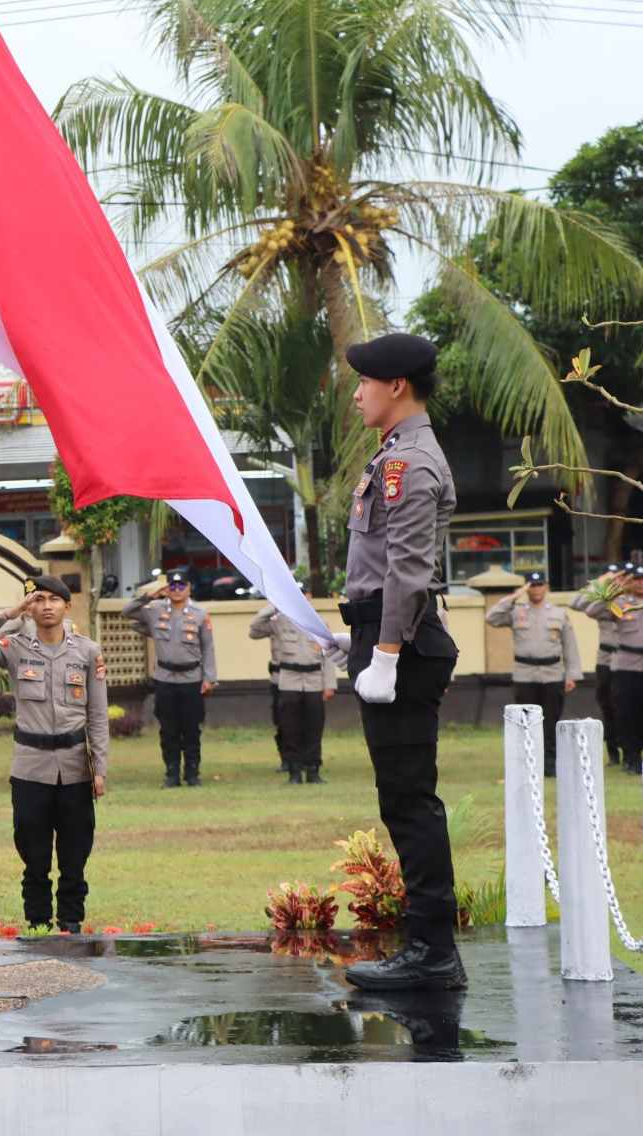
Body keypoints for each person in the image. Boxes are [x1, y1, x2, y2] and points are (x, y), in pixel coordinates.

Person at [330, 332, 464, 992]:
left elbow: (408, 571)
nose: (357, 394)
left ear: (397, 386)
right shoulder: (393, 455)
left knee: (410, 802)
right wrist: (356, 634)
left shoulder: (407, 464)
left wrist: (383, 653)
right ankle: (429, 950)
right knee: (401, 799)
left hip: (403, 649)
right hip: (386, 637)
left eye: (364, 382)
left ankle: (433, 954)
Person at [0, 578, 108, 934]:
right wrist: (7, 615)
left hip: (75, 767)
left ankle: (71, 921)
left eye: (55, 599)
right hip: (30, 767)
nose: (47, 606)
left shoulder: (87, 651)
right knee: (33, 853)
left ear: (67, 606)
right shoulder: (15, 647)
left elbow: (98, 716)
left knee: (75, 852)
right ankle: (38, 922)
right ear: (29, 608)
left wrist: (99, 769)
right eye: (38, 600)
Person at [121, 570, 217, 787]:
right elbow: (127, 612)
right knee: (168, 730)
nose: (177, 590)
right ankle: (171, 773)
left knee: (191, 729)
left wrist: (209, 678)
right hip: (165, 679)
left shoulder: (200, 614)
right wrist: (149, 596)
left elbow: (208, 648)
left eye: (181, 586)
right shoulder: (155, 610)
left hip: (191, 679)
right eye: (172, 586)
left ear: (189, 588)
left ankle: (192, 773)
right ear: (166, 589)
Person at [487, 571, 581, 777]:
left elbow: (570, 645)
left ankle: (550, 763)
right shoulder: (516, 612)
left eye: (540, 585)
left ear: (546, 587)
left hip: (552, 674)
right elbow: (491, 617)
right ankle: (527, 763)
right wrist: (515, 596)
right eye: (532, 585)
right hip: (525, 675)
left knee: (551, 720)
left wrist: (572, 674)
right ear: (527, 588)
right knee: (525, 721)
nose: (536, 589)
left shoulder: (558, 613)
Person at [248, 583, 338, 784]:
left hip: (314, 681)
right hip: (289, 680)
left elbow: (328, 655)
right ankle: (294, 771)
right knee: (290, 727)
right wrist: (275, 605)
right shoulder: (279, 621)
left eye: (302, 594)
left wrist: (329, 684)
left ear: (309, 596)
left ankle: (313, 770)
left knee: (314, 727)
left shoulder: (319, 622)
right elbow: (254, 629)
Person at [571, 564, 629, 766]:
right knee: (607, 705)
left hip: (632, 661)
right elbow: (576, 603)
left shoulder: (635, 601)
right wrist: (601, 582)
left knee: (631, 706)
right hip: (606, 659)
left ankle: (631, 752)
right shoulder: (604, 602)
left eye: (624, 577)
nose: (620, 581)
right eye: (617, 577)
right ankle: (613, 752)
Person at [605, 564, 643, 776]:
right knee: (627, 713)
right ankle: (631, 757)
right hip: (627, 666)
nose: (640, 583)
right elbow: (591, 609)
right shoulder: (621, 604)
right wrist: (613, 587)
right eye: (636, 579)